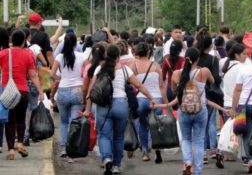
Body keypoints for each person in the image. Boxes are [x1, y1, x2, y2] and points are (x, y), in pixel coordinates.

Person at [153, 47, 229, 175]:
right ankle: (197, 171)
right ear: (198, 59)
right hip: (200, 110)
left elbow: (173, 90)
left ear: (185, 58)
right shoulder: (204, 72)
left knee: (186, 139)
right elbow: (213, 81)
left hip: (184, 110)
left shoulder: (177, 74)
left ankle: (187, 162)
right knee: (199, 141)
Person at [84, 44, 155, 174]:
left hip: (103, 105)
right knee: (118, 137)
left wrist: (88, 108)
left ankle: (106, 159)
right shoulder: (125, 69)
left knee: (104, 135)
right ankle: (116, 166)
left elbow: (91, 90)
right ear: (118, 56)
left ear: (106, 55)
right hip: (120, 104)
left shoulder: (100, 68)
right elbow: (139, 85)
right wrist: (151, 97)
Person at [0, 29, 44, 160]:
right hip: (23, 92)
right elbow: (33, 75)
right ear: (25, 41)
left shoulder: (2, 53)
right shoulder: (28, 55)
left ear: (11, 40)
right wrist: (41, 91)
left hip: (7, 92)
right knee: (20, 119)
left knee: (9, 121)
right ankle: (20, 143)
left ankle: (11, 151)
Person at [128, 42, 167, 163]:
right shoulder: (156, 66)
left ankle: (145, 152)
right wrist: (166, 103)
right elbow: (161, 86)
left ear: (136, 53)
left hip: (141, 99)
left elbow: (130, 84)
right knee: (156, 126)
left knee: (143, 126)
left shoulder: (133, 66)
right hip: (156, 100)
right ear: (149, 53)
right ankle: (157, 150)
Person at [50, 33, 86, 162]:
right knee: (74, 123)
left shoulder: (59, 57)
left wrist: (61, 78)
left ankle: (64, 148)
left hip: (63, 91)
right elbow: (87, 72)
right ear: (75, 44)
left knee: (64, 122)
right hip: (77, 90)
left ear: (64, 43)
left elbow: (52, 74)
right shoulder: (82, 56)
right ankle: (72, 151)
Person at [229, 47, 252, 173]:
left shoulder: (244, 69)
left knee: (246, 134)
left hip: (245, 104)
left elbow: (238, 89)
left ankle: (250, 160)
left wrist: (233, 108)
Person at [195, 28, 222, 162]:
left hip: (196, 92)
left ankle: (203, 153)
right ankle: (213, 149)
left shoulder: (195, 59)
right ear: (210, 46)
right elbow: (216, 78)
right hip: (211, 93)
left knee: (201, 123)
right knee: (211, 121)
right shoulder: (213, 59)